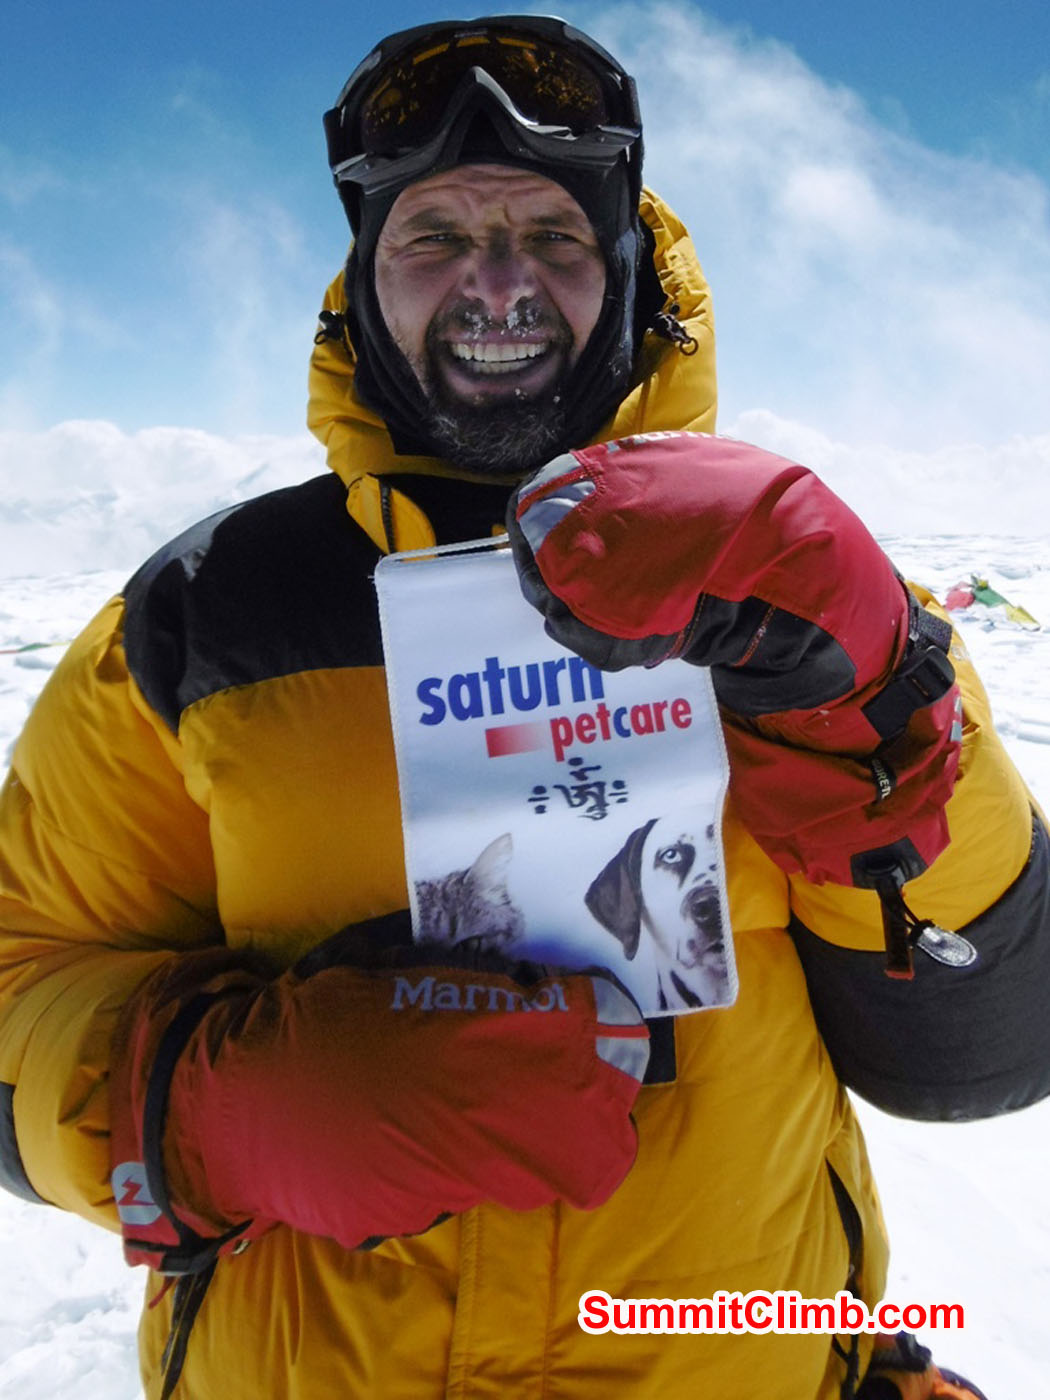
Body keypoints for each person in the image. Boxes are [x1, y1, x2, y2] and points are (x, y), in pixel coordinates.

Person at [0, 15, 1043, 1399]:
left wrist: (877, 705)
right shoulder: (204, 620)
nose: (497, 283)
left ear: (622, 274)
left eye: (551, 238)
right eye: (433, 237)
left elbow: (984, 1047)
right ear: (364, 284)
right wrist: (194, 1104)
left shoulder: (790, 589)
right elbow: (24, 977)